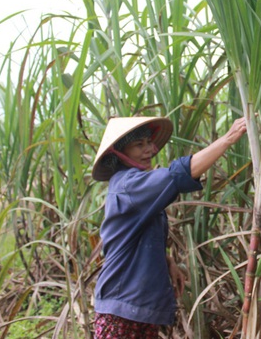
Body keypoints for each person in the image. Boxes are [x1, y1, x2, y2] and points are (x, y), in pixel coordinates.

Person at [90, 115, 247, 338]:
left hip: (135, 305)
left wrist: (166, 261)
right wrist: (228, 139)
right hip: (123, 306)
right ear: (119, 153)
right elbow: (179, 174)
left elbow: (133, 239)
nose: (149, 150)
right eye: (139, 145)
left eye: (148, 143)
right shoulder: (129, 185)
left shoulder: (134, 185)